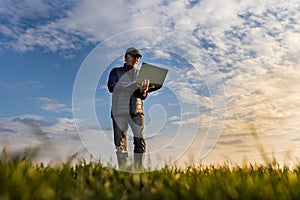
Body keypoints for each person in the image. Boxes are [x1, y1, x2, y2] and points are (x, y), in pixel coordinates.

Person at [107, 47, 154, 170]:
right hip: (119, 112)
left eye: (138, 57)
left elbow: (142, 96)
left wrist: (143, 91)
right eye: (134, 56)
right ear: (126, 57)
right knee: (120, 145)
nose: (136, 59)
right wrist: (130, 85)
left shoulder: (141, 75)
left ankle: (138, 170)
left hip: (137, 111)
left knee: (140, 142)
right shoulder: (115, 72)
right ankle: (124, 171)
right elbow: (112, 87)